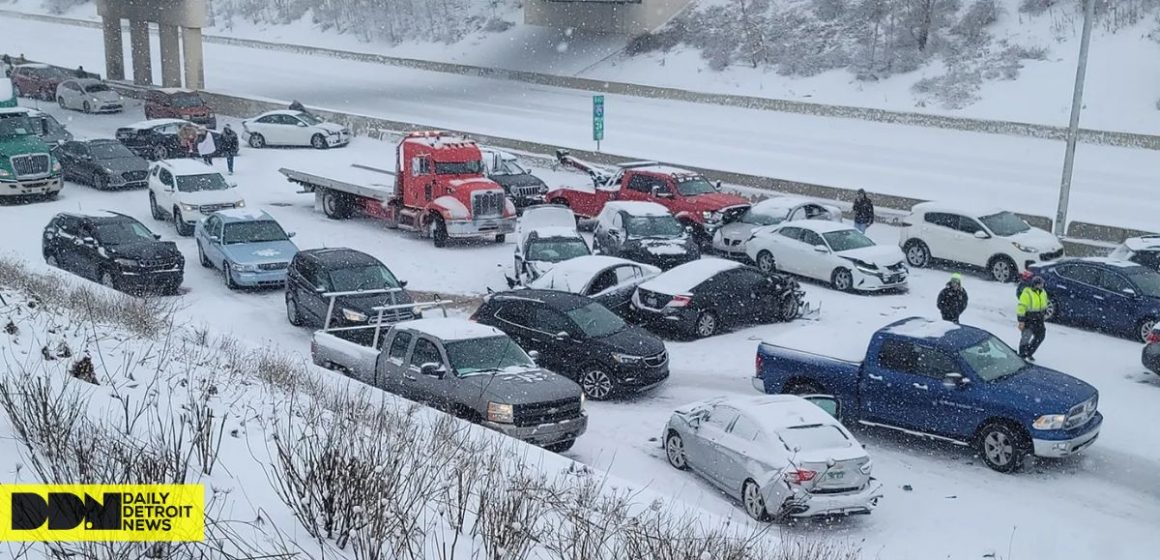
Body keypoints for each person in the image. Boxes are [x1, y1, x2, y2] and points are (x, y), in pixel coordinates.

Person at [1016, 276, 1049, 361]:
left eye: (1042, 284)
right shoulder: (1027, 293)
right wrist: (1021, 321)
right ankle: (1022, 354)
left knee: (1041, 335)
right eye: (1040, 284)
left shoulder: (1043, 292)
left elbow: (1044, 303)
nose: (1042, 286)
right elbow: (1021, 307)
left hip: (1039, 319)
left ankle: (1029, 352)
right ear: (1035, 285)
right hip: (1028, 319)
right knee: (1026, 337)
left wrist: (1044, 313)